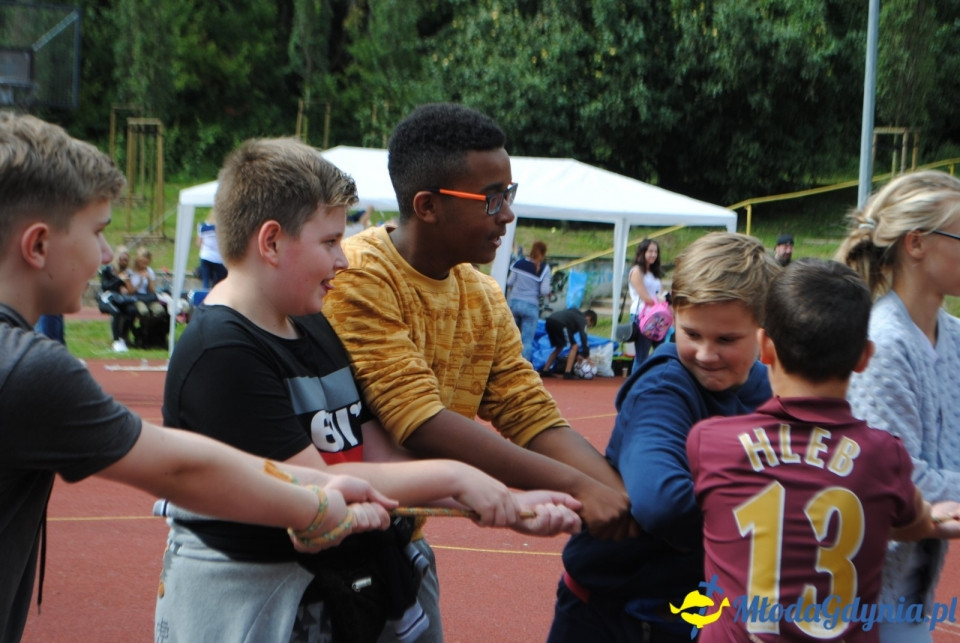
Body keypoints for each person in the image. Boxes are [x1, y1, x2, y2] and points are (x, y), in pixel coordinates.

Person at [0, 111, 405, 643]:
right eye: (99, 232)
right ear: (36, 246)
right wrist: (317, 500)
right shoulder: (27, 370)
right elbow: (181, 468)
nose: (105, 255)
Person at [156, 136, 582, 642]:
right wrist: (460, 476)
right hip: (259, 606)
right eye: (330, 242)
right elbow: (317, 489)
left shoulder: (313, 326)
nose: (345, 260)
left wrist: (512, 507)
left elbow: (378, 463)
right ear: (270, 242)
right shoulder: (222, 353)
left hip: (343, 590)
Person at [323, 102, 632, 641]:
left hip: (403, 545)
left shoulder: (483, 296)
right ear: (428, 205)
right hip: (325, 552)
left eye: (508, 195)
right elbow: (419, 421)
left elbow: (530, 415)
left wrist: (623, 499)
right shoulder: (359, 275)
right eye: (492, 198)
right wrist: (582, 489)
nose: (507, 215)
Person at [687, 258, 960, 642]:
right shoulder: (884, 457)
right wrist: (930, 516)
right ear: (866, 356)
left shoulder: (711, 443)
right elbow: (914, 522)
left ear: (765, 346)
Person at [548, 232, 782, 642]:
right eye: (692, 334)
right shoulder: (665, 387)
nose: (707, 353)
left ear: (765, 332)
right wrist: (773, 521)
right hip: (612, 615)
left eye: (727, 340)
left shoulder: (768, 389)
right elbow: (663, 503)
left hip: (690, 613)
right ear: (673, 311)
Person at [837, 169, 960, 642]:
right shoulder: (883, 341)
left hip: (913, 595)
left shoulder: (949, 335)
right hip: (864, 603)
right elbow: (899, 478)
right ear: (916, 245)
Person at [507, 240, 552, 362]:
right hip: (531, 306)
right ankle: (523, 368)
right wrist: (550, 292)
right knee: (527, 340)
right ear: (543, 253)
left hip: (514, 303)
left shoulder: (519, 263)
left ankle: (504, 365)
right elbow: (544, 290)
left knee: (509, 338)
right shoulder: (544, 269)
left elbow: (509, 282)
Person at [627, 238, 664, 368]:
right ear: (642, 252)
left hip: (657, 318)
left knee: (663, 352)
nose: (653, 254)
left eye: (656, 252)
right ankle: (635, 386)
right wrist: (660, 300)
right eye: (650, 251)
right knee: (642, 356)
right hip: (641, 316)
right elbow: (645, 297)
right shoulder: (636, 271)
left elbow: (660, 293)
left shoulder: (655, 273)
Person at [123, 245, 168, 347]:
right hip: (136, 297)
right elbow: (130, 291)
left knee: (159, 311)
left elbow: (152, 291)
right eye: (142, 262)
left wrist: (149, 279)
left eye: (146, 263)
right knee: (144, 312)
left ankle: (144, 330)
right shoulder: (130, 272)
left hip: (148, 297)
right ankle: (141, 333)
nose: (144, 265)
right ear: (137, 260)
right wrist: (139, 281)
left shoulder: (149, 271)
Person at [99, 245, 138, 352]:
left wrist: (127, 282)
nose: (123, 262)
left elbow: (130, 291)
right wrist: (119, 280)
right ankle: (116, 341)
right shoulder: (107, 270)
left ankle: (123, 337)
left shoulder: (128, 272)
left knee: (132, 310)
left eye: (126, 260)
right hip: (107, 298)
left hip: (122, 299)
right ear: (117, 258)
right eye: (121, 259)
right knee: (116, 312)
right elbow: (105, 287)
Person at [539, 307, 597, 379]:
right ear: (589, 318)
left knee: (559, 347)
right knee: (575, 346)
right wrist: (587, 356)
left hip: (549, 321)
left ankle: (545, 370)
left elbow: (570, 338)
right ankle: (567, 373)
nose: (587, 326)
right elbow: (583, 337)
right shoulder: (582, 319)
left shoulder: (574, 316)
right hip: (560, 323)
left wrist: (578, 354)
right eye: (589, 325)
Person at [196, 211, 227, 289]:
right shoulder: (222, 228)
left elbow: (198, 243)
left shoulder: (202, 227)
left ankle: (205, 296)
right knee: (219, 282)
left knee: (205, 281)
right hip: (218, 258)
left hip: (205, 256)